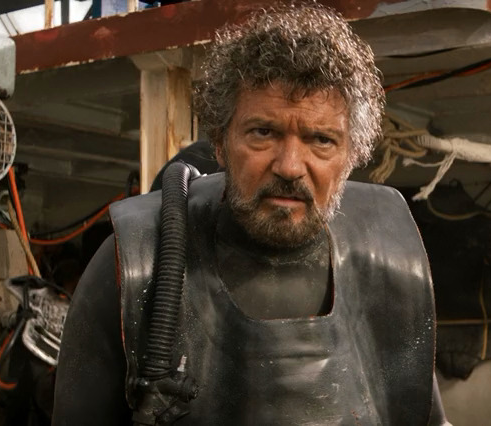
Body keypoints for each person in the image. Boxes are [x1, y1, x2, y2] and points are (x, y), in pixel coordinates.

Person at [53, 3, 447, 424]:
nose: (290, 167)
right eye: (263, 132)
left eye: (320, 140)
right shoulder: (134, 266)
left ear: (351, 157)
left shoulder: (391, 266)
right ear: (220, 143)